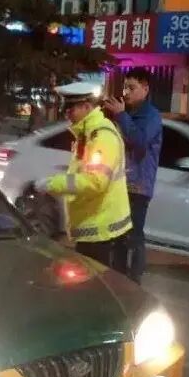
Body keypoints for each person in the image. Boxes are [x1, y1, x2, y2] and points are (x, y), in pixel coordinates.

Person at [34, 82, 131, 271]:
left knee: (96, 285)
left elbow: (95, 181)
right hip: (95, 229)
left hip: (102, 233)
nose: (67, 114)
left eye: (70, 109)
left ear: (86, 107)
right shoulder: (86, 135)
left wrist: (53, 184)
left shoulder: (102, 137)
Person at [103, 67, 162, 283]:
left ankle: (134, 281)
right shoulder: (127, 114)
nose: (126, 92)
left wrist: (121, 115)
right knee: (118, 236)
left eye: (131, 88)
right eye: (125, 87)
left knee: (133, 237)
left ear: (145, 89)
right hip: (121, 183)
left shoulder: (151, 116)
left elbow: (140, 142)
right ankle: (118, 278)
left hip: (138, 187)